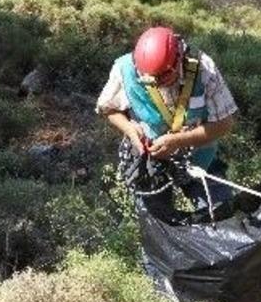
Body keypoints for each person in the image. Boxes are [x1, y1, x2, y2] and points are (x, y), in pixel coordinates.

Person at [96, 26, 237, 212]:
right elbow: (107, 108)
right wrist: (130, 129)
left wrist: (177, 141)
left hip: (200, 158)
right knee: (155, 221)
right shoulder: (125, 69)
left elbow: (224, 124)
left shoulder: (204, 69)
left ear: (178, 59)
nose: (154, 82)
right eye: (148, 78)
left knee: (220, 215)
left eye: (162, 77)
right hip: (151, 162)